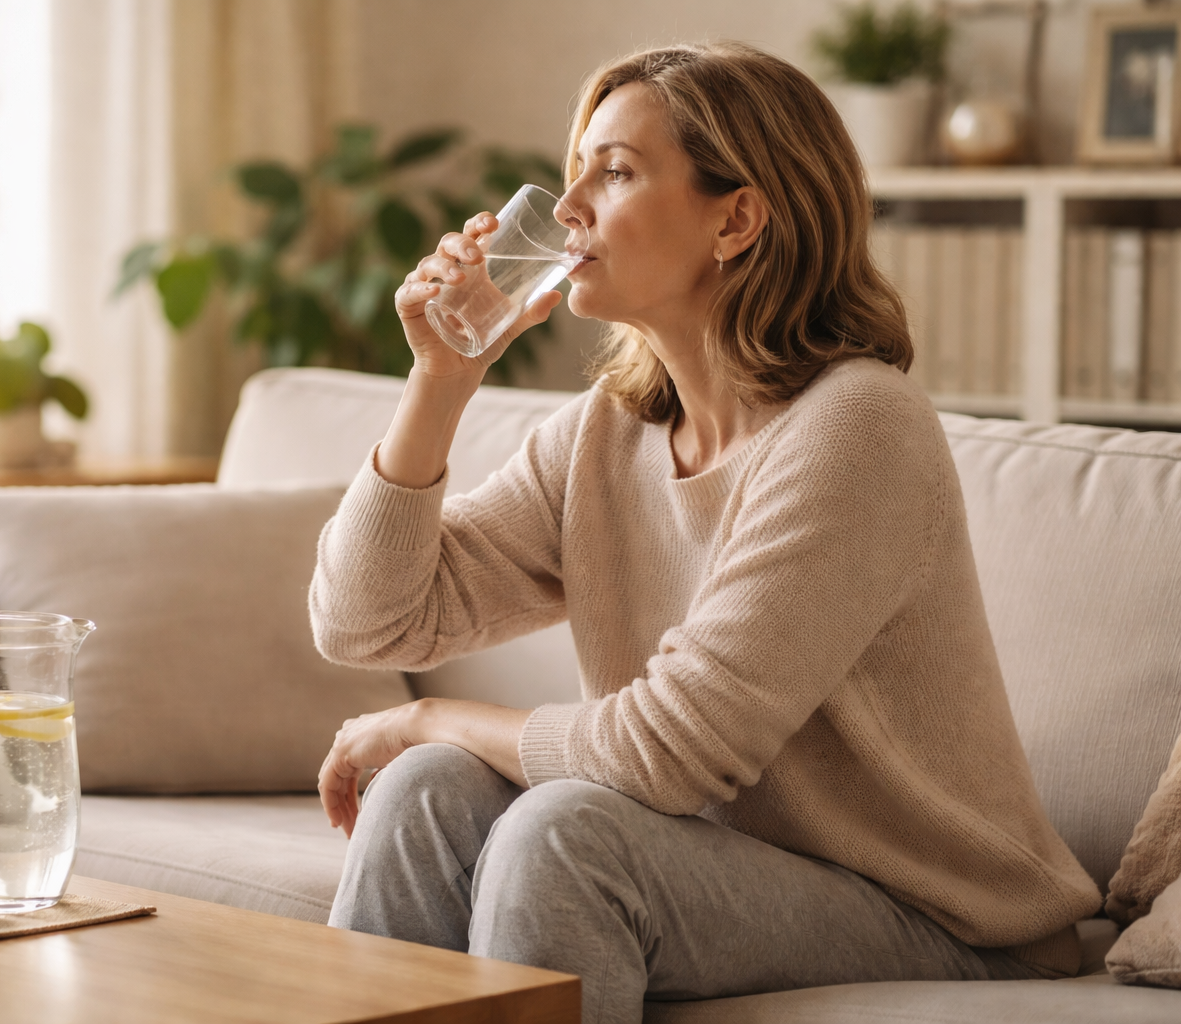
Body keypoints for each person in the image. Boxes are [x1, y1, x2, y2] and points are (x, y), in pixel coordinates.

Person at [308, 42, 1099, 1023]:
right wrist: (440, 379)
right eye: (575, 173)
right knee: (425, 790)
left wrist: (428, 714)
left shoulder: (857, 426)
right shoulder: (605, 437)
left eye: (617, 171)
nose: (567, 211)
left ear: (737, 218)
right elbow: (365, 623)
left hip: (944, 918)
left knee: (562, 835)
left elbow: (667, 753)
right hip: (722, 865)